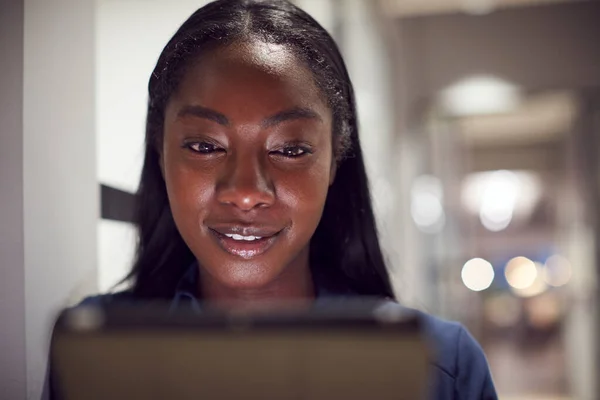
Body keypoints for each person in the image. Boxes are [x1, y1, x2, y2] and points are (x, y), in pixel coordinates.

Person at [48, 0, 497, 398]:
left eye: (290, 149)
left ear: (336, 160)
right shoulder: (96, 351)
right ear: (160, 152)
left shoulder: (444, 367)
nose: (245, 193)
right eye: (205, 146)